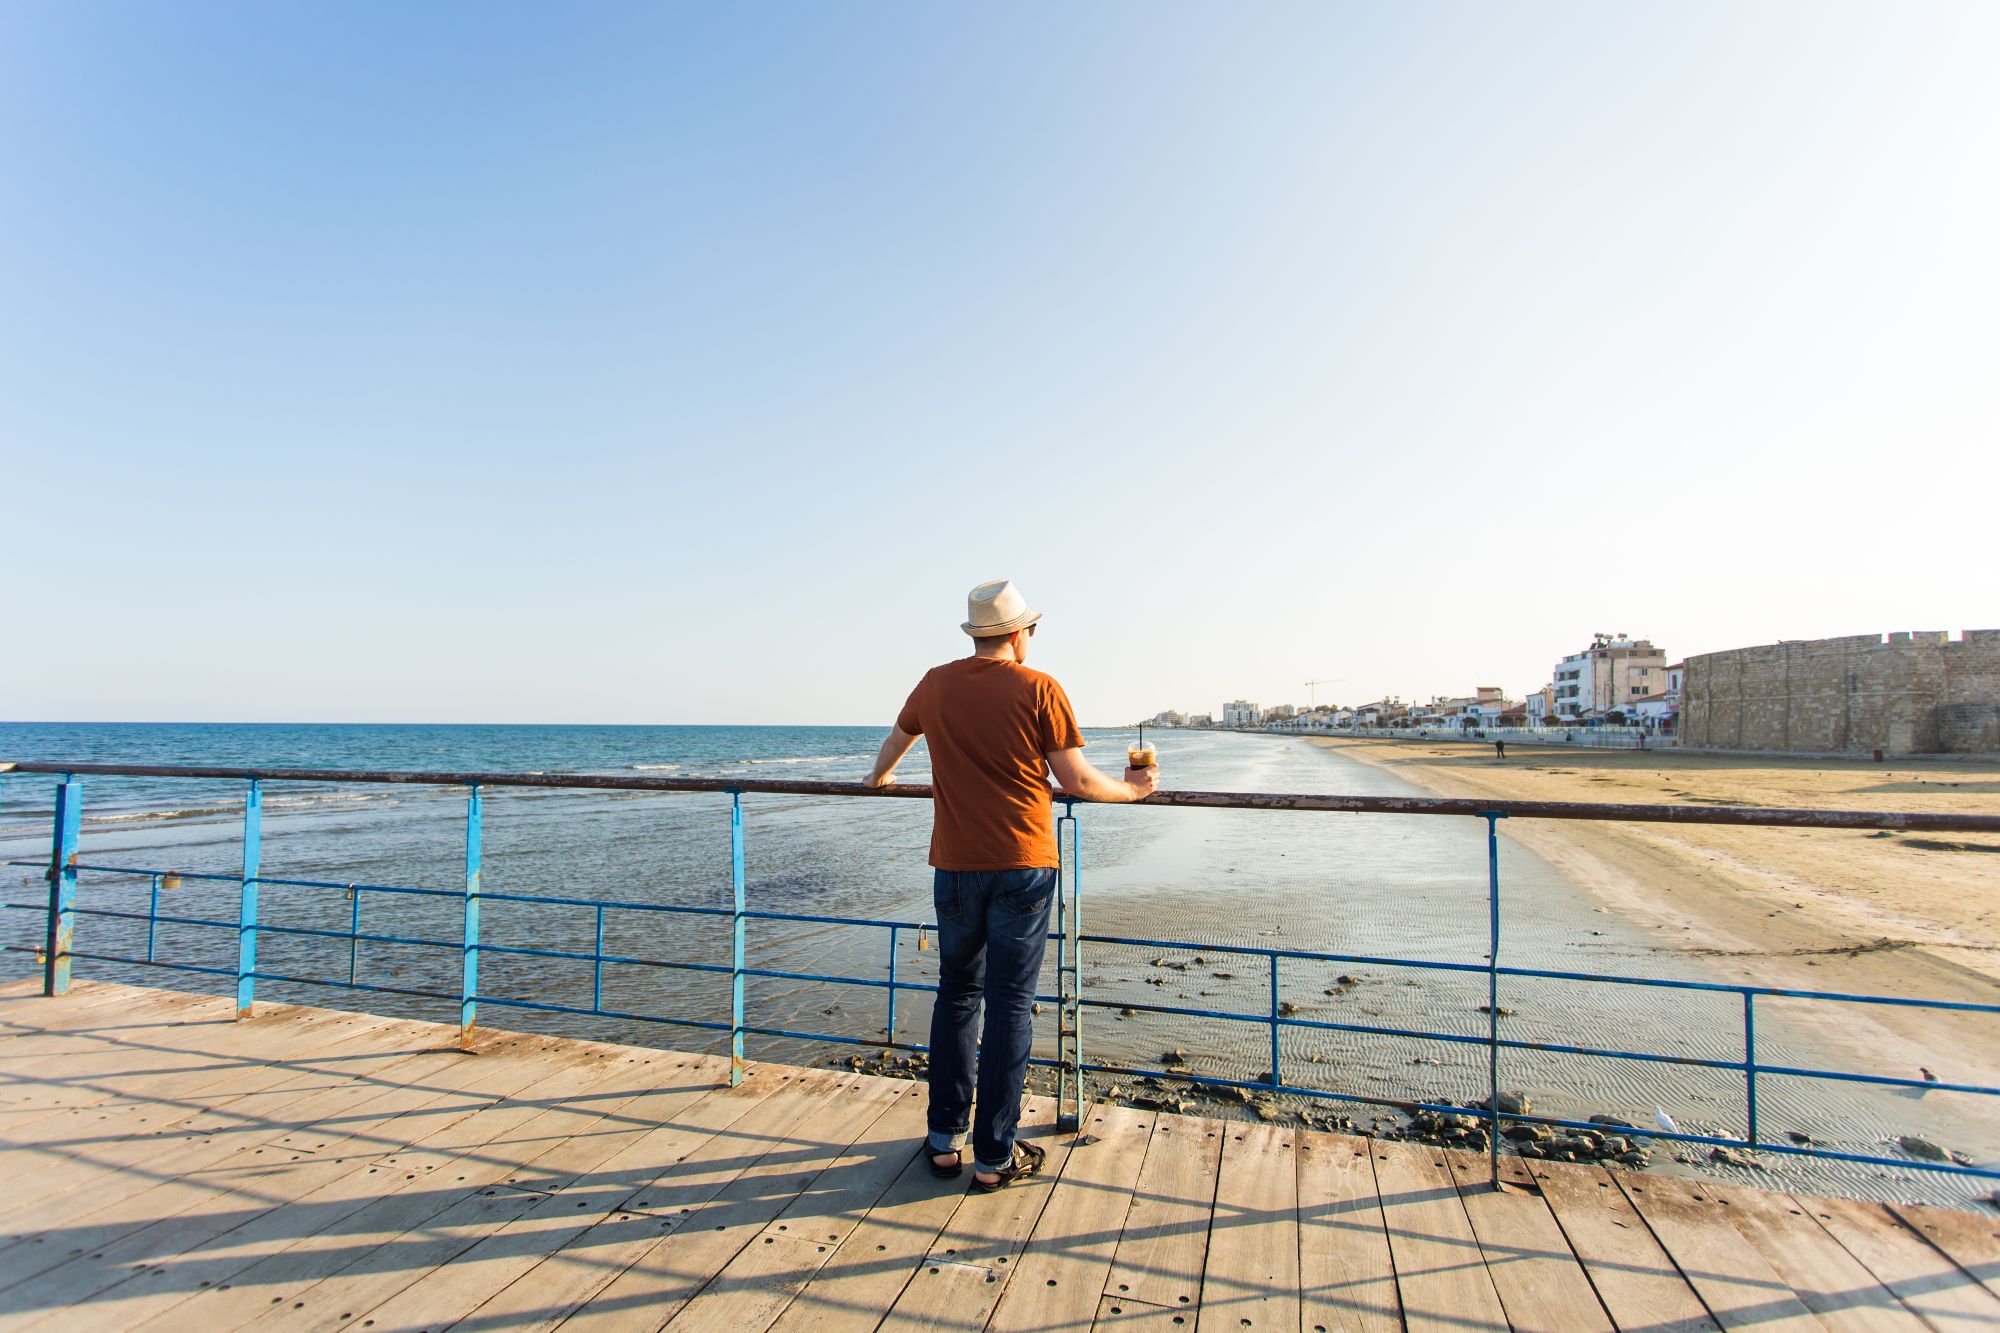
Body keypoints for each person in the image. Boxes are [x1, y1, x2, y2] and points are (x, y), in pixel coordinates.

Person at [863, 579, 1158, 1192]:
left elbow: (898, 738)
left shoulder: (935, 683)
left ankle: (944, 1140)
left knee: (956, 996)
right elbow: (1076, 781)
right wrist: (1133, 792)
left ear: (977, 634)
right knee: (1010, 1005)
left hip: (955, 864)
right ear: (1020, 633)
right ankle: (994, 1156)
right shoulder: (1039, 687)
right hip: (1022, 862)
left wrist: (878, 778)